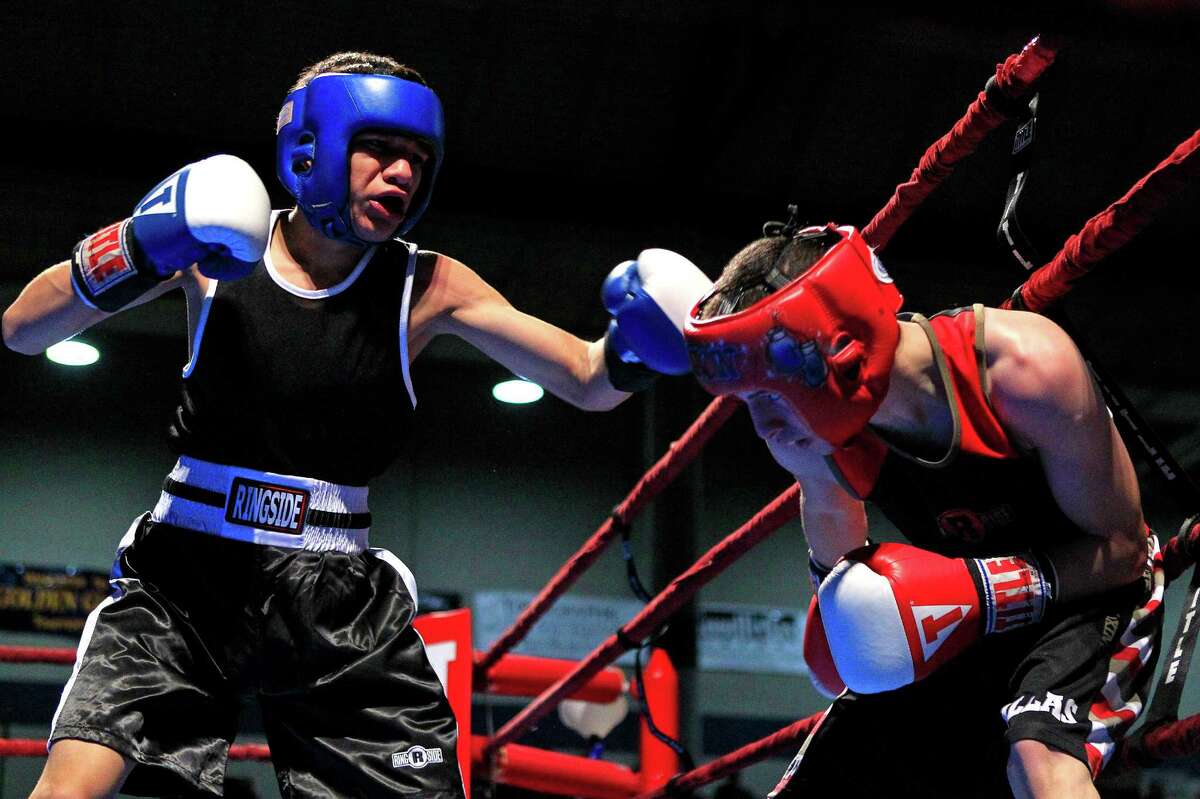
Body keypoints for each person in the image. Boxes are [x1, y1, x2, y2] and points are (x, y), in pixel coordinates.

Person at [1, 51, 710, 798]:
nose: (402, 173)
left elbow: (587, 379)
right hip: (185, 579)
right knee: (70, 788)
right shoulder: (213, 253)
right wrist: (143, 242)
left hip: (338, 597)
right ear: (312, 144)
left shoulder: (427, 284)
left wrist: (637, 346)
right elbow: (21, 327)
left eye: (418, 158)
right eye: (381, 148)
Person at [675, 215, 1163, 798]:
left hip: (1093, 598)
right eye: (750, 400)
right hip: (963, 611)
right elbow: (837, 557)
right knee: (831, 771)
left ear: (843, 350)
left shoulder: (1024, 370)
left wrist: (981, 592)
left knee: (1039, 759)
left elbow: (1125, 551)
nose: (764, 427)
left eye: (770, 393)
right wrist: (850, 621)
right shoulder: (816, 434)